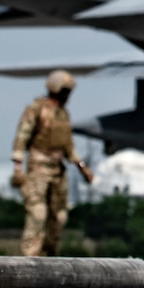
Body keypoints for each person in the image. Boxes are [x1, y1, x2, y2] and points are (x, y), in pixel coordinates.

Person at [12, 71, 91, 257]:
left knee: (60, 217)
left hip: (58, 170)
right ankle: (29, 260)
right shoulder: (36, 109)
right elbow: (21, 137)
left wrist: (82, 167)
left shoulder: (63, 114)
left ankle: (50, 255)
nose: (67, 96)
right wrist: (17, 167)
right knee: (37, 214)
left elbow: (68, 146)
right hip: (38, 167)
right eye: (65, 91)